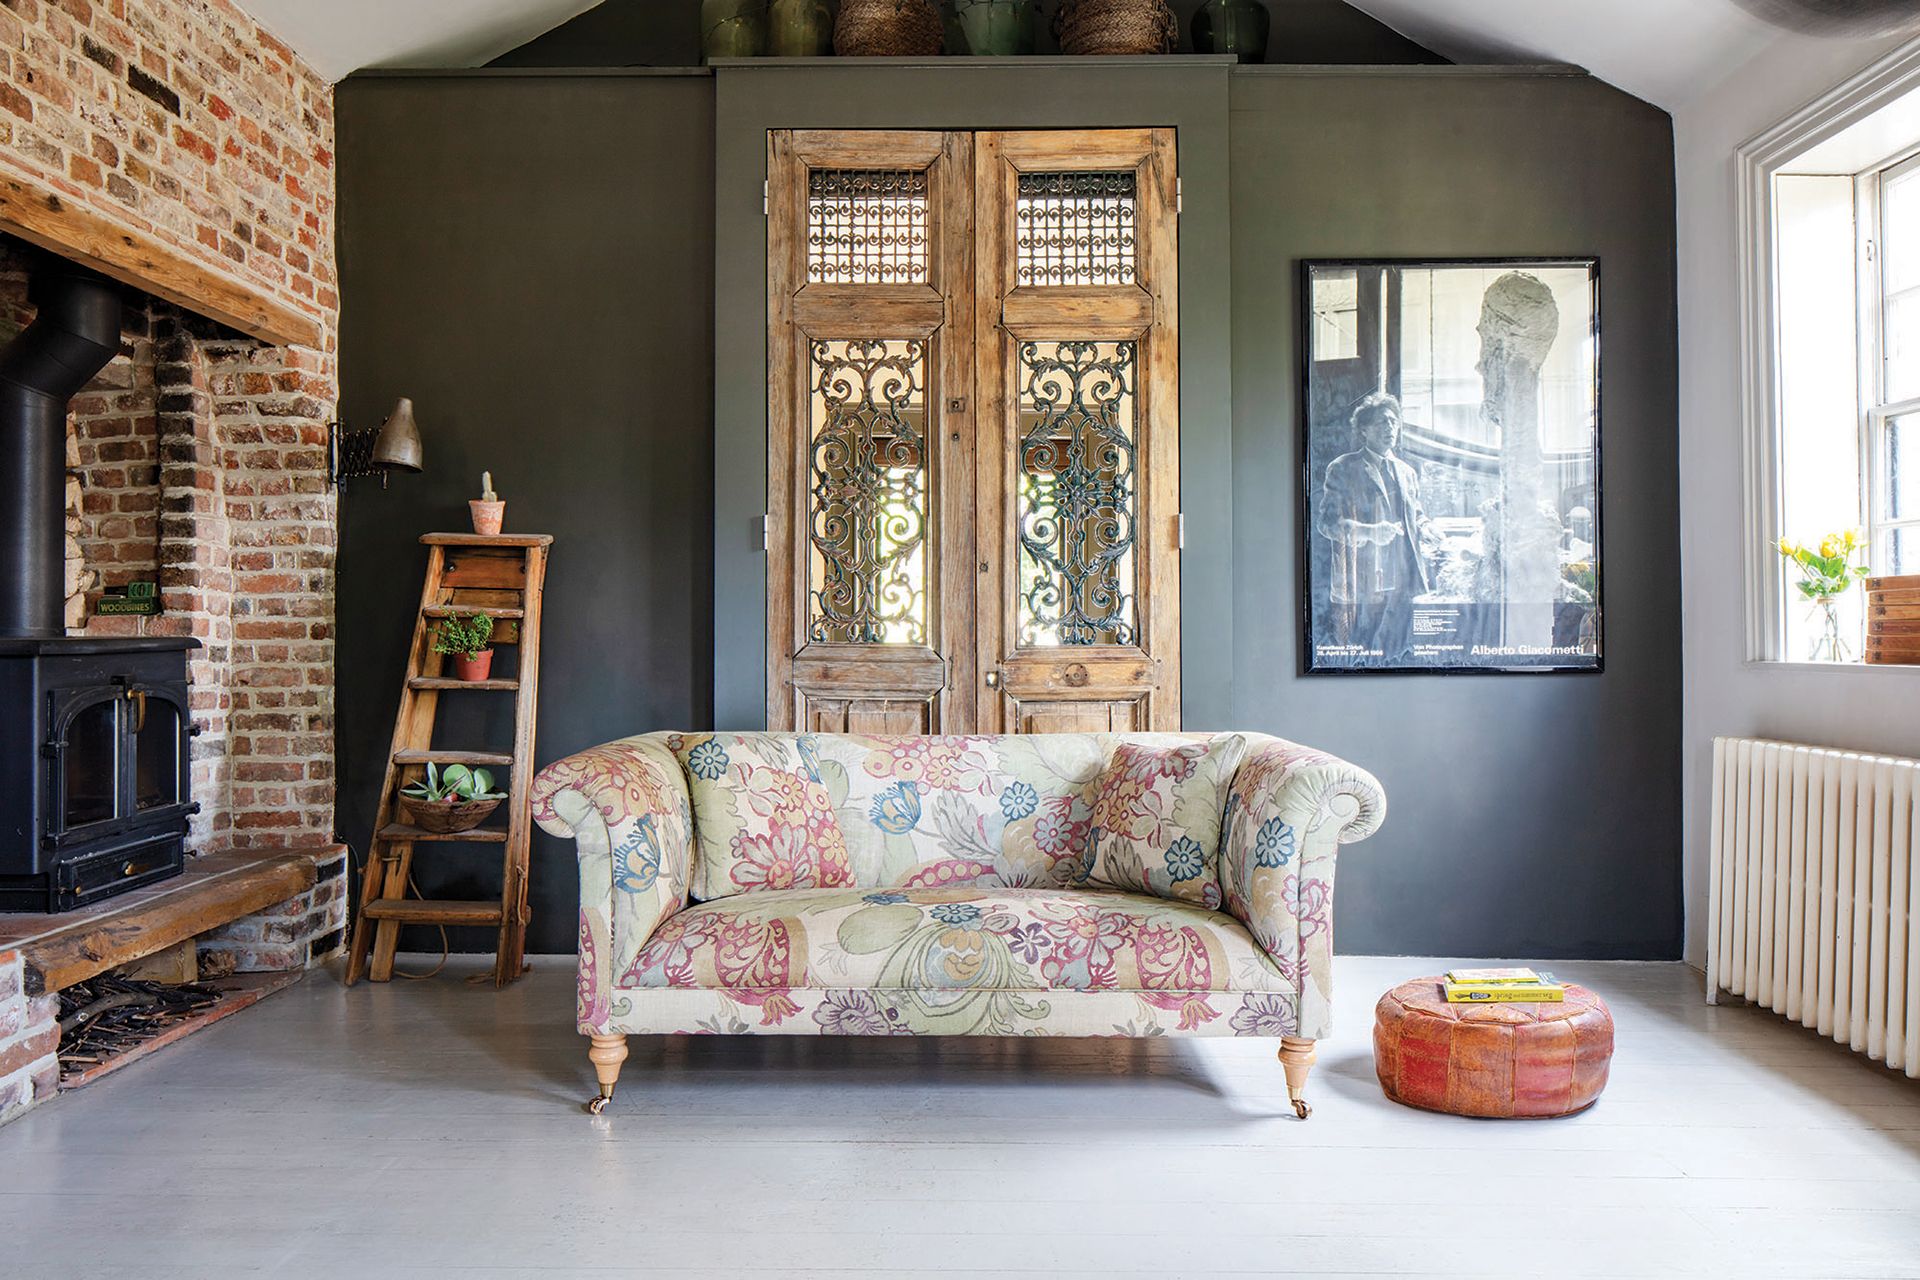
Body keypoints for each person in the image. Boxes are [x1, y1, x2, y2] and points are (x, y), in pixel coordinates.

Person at [1315, 392, 1433, 662]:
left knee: (1399, 657)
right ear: (1364, 430)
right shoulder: (1343, 468)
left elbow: (1417, 517)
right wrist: (1370, 531)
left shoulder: (1406, 472)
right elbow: (1327, 524)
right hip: (1362, 584)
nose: (1389, 428)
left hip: (1405, 582)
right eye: (1381, 422)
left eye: (1393, 422)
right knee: (1361, 658)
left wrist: (1427, 528)